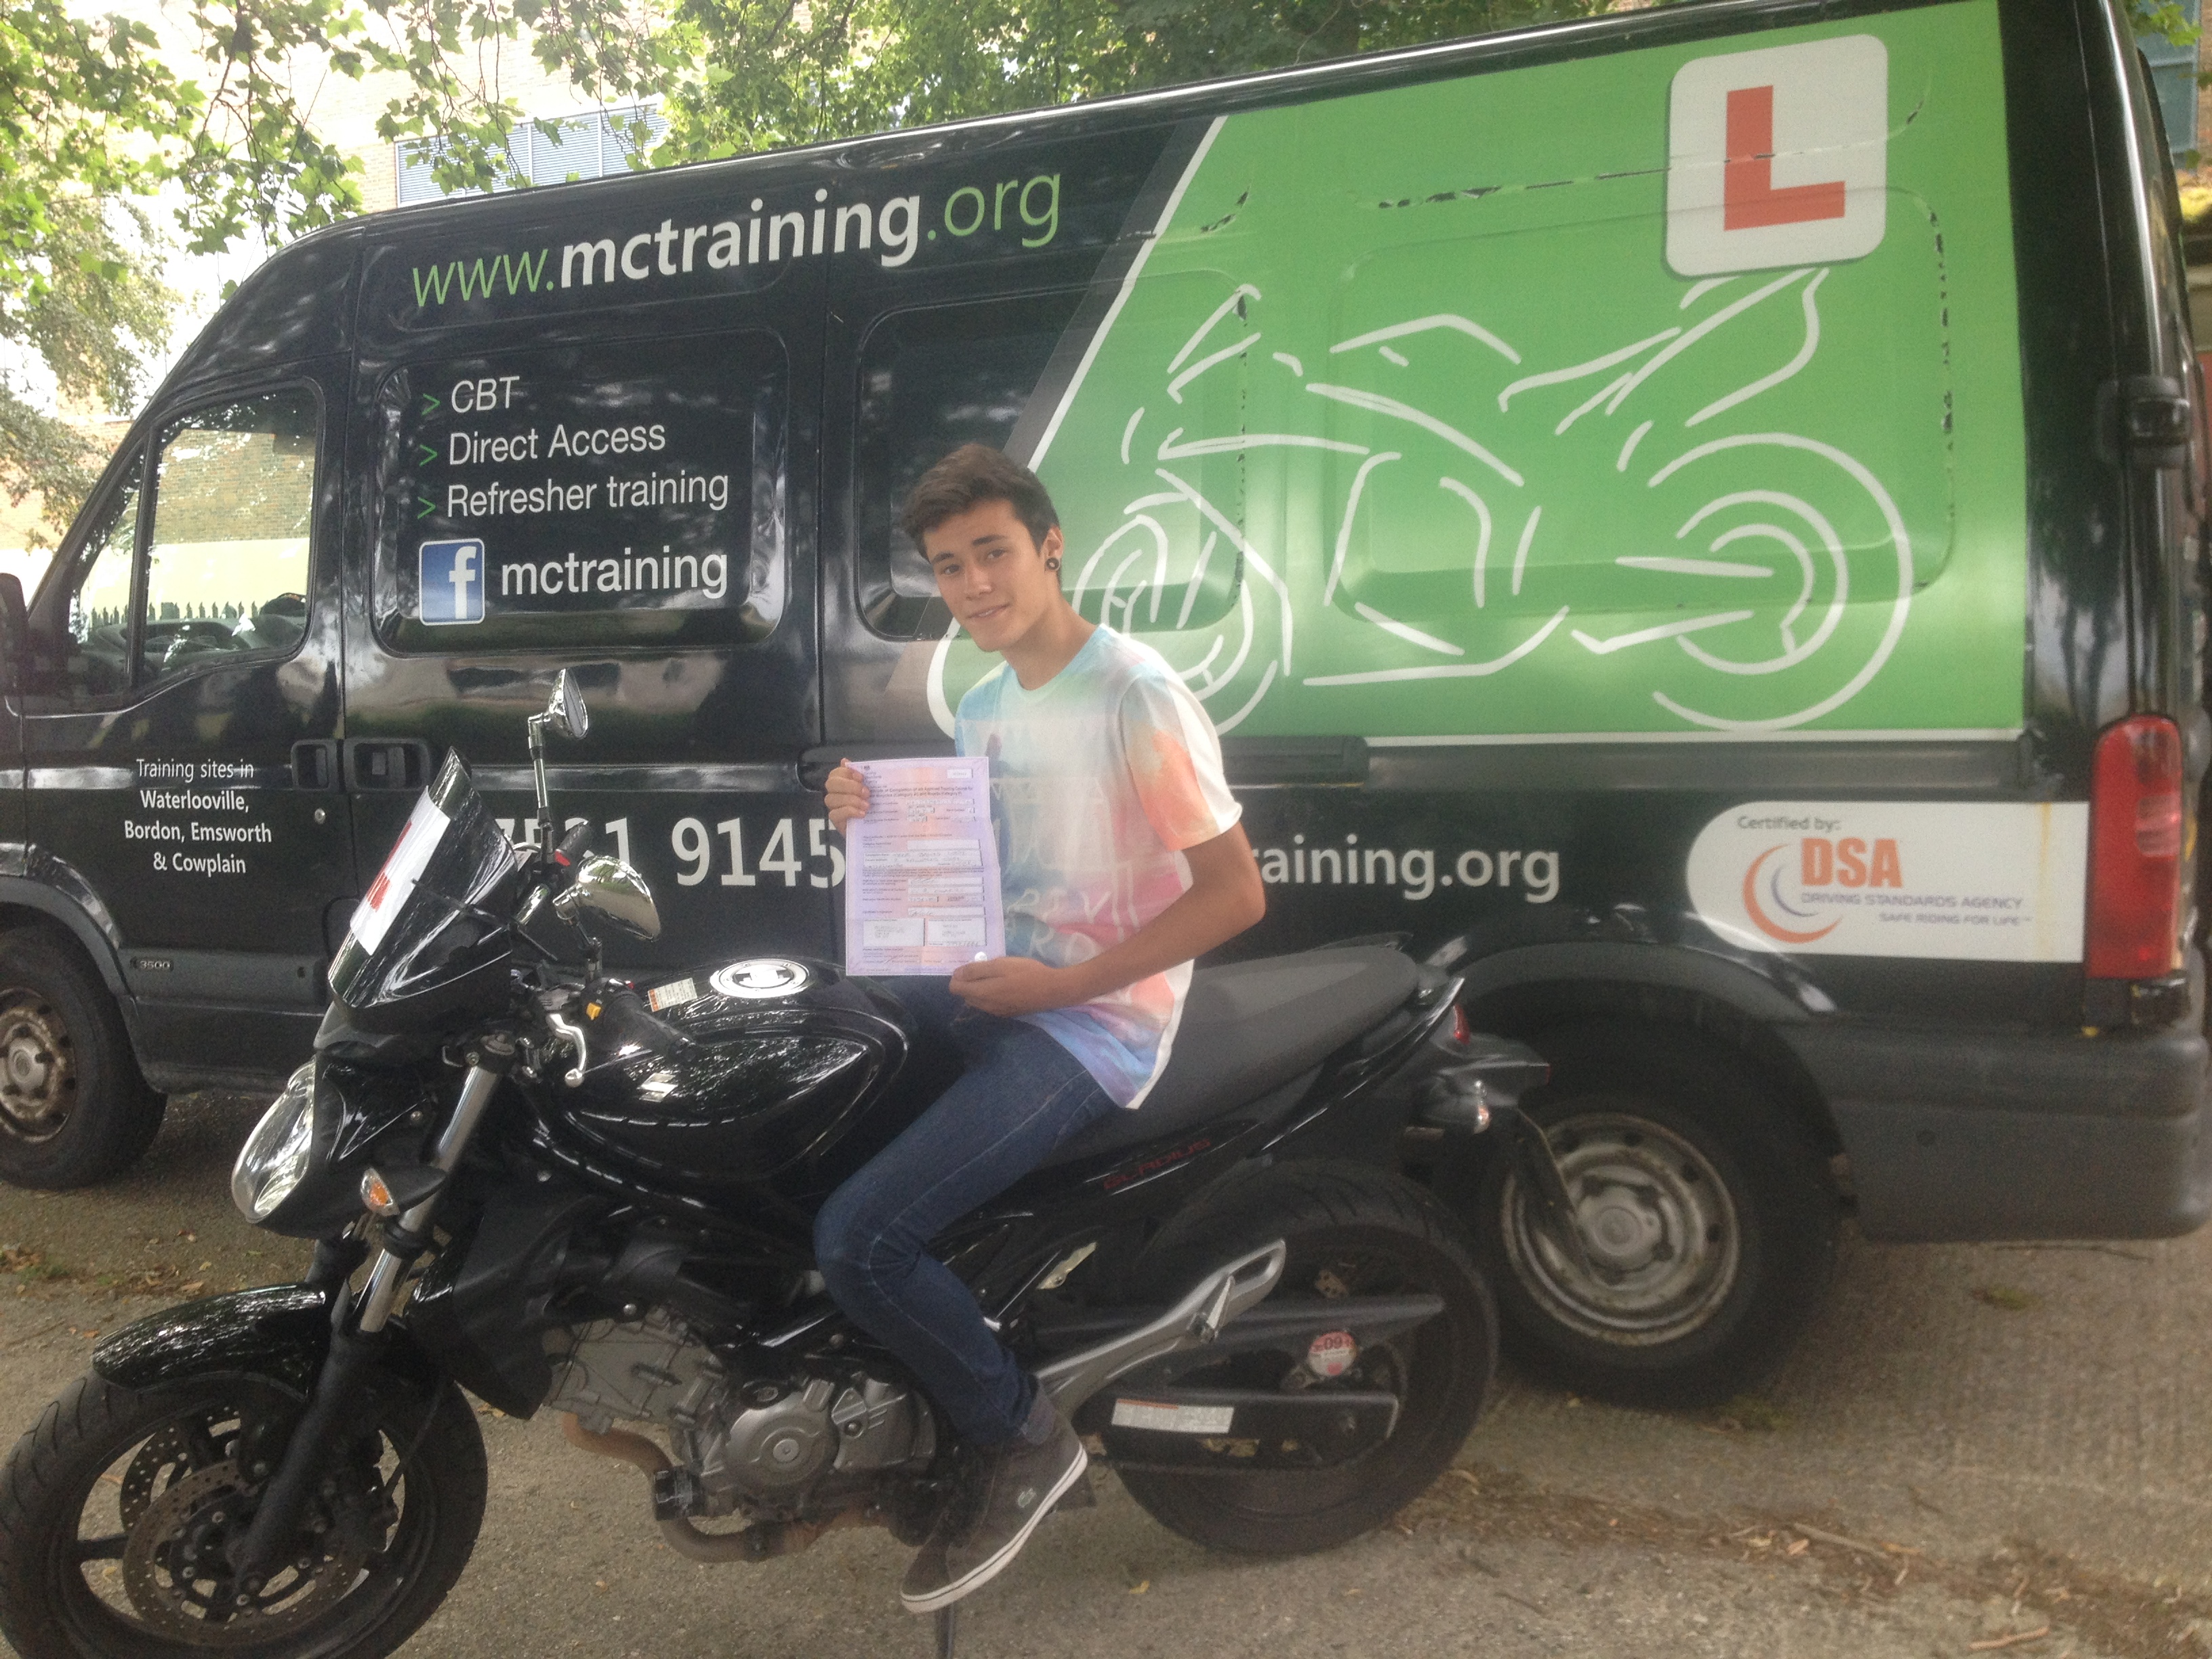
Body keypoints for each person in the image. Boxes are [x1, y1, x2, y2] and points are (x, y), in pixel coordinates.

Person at [817, 444, 1266, 1614]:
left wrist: (1065, 989)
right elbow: (985, 876)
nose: (974, 584)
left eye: (994, 553)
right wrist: (868, 827)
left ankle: (1020, 1435)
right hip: (997, 985)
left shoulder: (1132, 693)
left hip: (1092, 1026)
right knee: (814, 1044)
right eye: (949, 566)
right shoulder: (983, 703)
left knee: (861, 1238)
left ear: (1050, 546)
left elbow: (1235, 896)